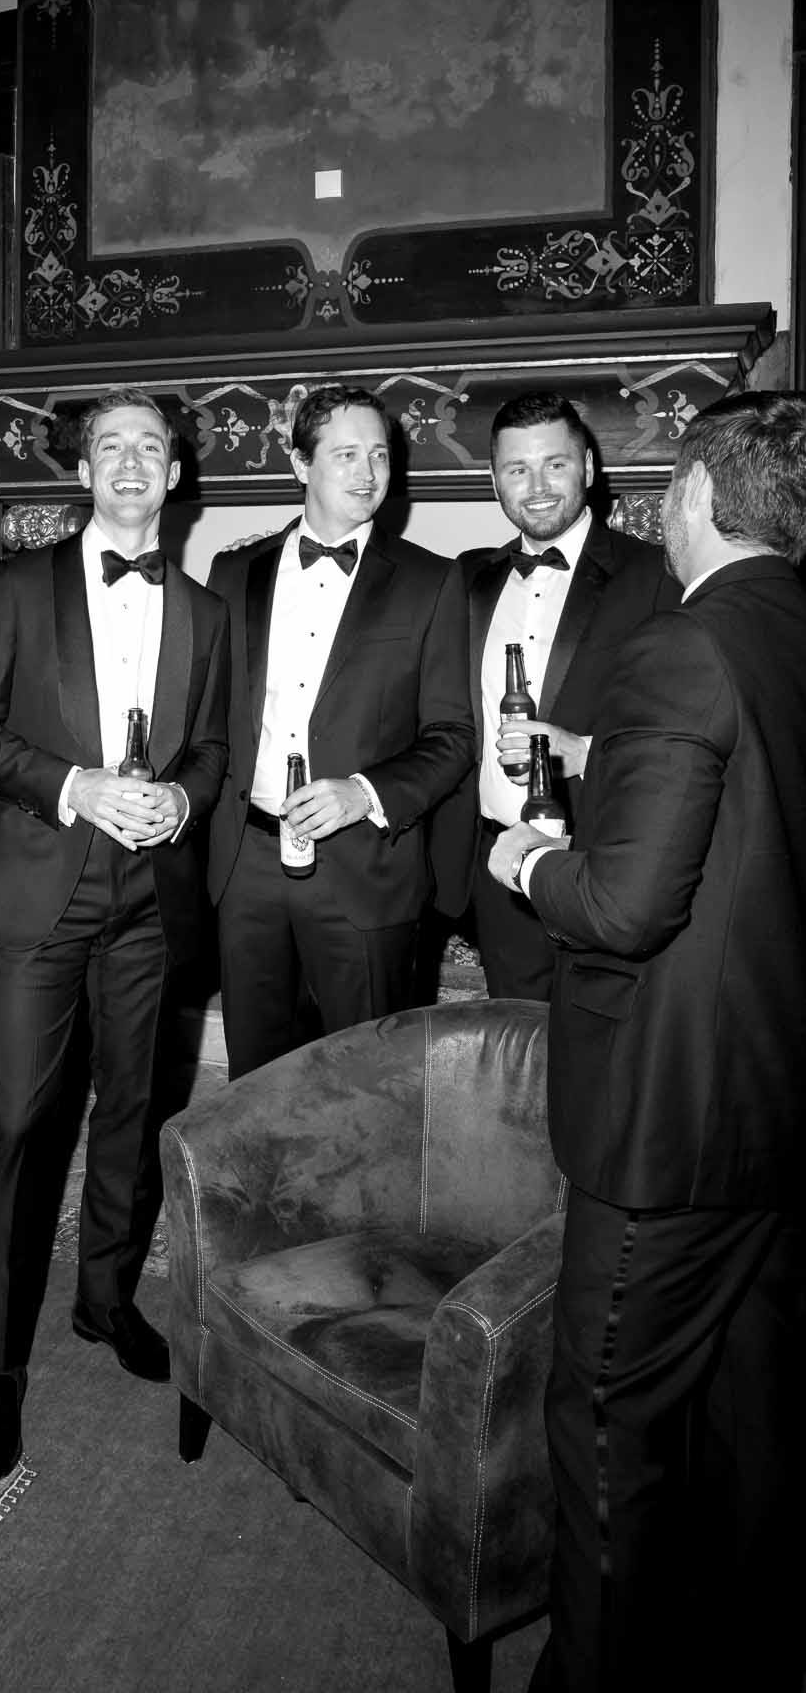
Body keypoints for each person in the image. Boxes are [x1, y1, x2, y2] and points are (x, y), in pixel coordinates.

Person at [488, 393, 806, 1692]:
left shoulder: (680, 644)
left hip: (665, 1121)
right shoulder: (783, 627)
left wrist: (528, 861)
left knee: (609, 1417)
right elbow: (739, 809)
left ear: (695, 500)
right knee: (748, 1411)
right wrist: (592, 751)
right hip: (775, 1105)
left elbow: (622, 907)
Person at [0, 387, 229, 1479]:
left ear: (175, 475)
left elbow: (211, 749)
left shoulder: (206, 610)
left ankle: (105, 1297)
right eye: (109, 446)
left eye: (149, 447)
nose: (128, 462)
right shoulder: (18, 587)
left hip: (153, 902)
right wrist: (74, 786)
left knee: (138, 1107)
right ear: (83, 471)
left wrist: (183, 803)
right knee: (16, 1120)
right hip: (40, 892)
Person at [205, 382, 473, 1079]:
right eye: (345, 454)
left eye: (379, 456)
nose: (366, 474)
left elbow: (451, 735)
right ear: (299, 465)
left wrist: (363, 792)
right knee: (253, 1078)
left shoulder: (432, 582)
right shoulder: (230, 572)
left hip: (365, 869)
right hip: (246, 867)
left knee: (367, 1082)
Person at [452, 391, 678, 999]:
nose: (537, 486)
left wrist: (587, 748)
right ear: (495, 479)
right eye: (516, 469)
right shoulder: (466, 578)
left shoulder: (659, 576)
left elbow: (688, 728)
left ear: (588, 468)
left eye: (555, 463)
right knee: (514, 1061)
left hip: (604, 868)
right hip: (499, 872)